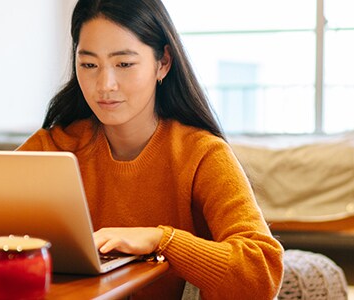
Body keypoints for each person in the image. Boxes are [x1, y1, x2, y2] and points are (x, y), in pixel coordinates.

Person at [16, 0, 284, 298]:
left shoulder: (201, 153)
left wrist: (161, 240)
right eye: (89, 65)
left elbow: (262, 272)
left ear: (163, 62)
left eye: (124, 64)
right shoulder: (51, 148)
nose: (105, 84)